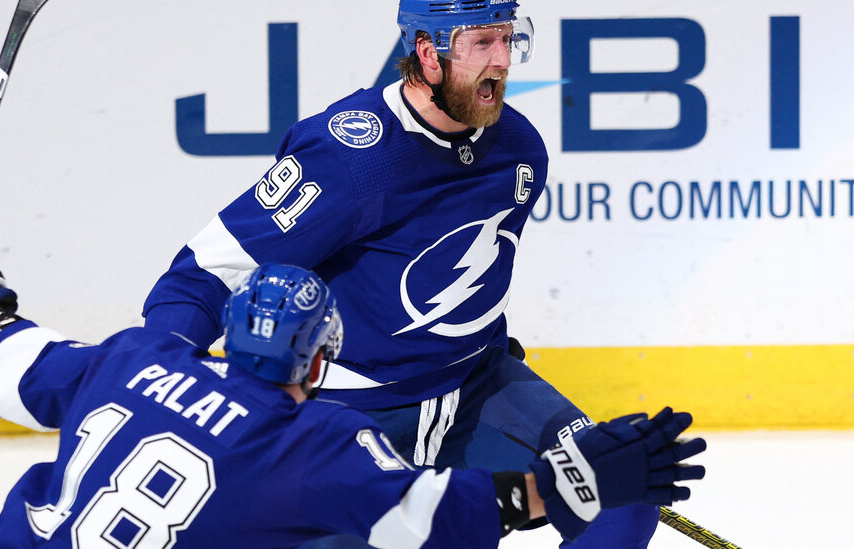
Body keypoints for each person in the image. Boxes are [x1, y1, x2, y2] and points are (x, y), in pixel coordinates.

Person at [142, 1, 658, 547]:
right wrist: (157, 378)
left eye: (508, 39)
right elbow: (200, 276)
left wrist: (477, 338)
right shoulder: (347, 158)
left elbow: (473, 265)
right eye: (481, 43)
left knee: (621, 490)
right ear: (427, 53)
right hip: (352, 410)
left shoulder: (518, 148)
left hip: (475, 388)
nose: (502, 60)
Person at [0, 214, 706, 548]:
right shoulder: (316, 445)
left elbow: (12, 362)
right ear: (319, 364)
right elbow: (445, 518)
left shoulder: (134, 357)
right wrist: (570, 483)